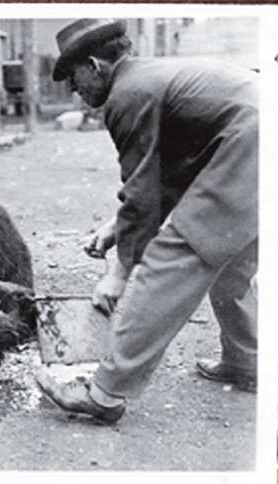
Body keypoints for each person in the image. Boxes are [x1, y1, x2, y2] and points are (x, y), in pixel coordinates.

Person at [36, 18, 258, 423]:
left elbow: (142, 194)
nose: (73, 90)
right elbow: (166, 177)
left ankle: (104, 394)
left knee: (173, 258)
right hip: (258, 135)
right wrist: (117, 226)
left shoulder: (127, 95)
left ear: (94, 65)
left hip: (254, 142)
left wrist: (119, 272)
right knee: (231, 260)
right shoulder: (147, 78)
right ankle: (249, 359)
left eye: (73, 77)